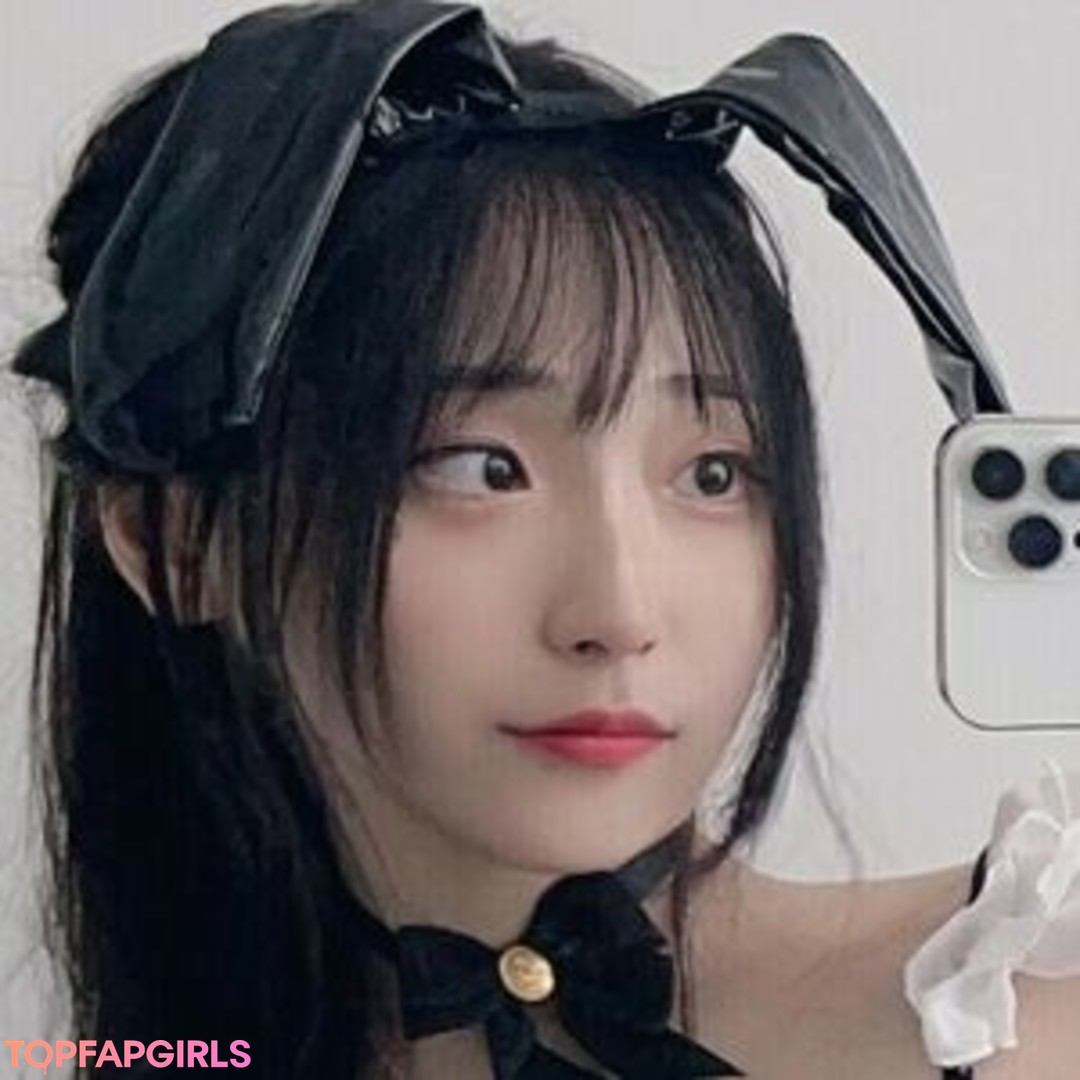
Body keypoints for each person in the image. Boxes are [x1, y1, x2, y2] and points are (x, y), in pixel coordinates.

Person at [8, 2, 1080, 1077]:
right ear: (177, 541)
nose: (619, 613)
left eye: (712, 474)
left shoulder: (1016, 1007)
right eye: (480, 468)